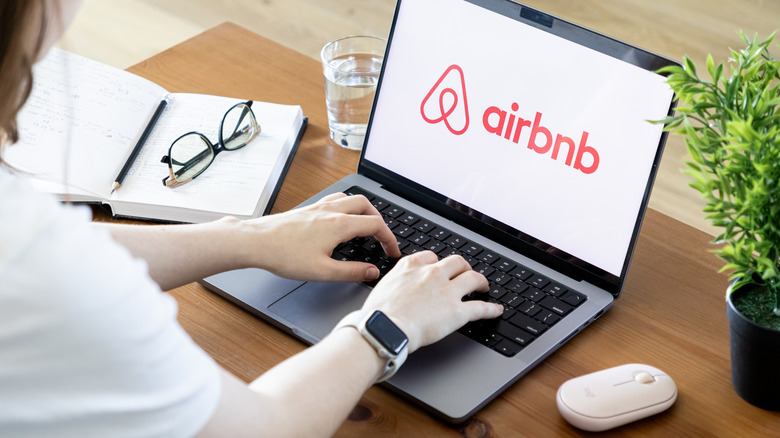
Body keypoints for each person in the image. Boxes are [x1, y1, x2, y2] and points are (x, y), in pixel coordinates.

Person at [0, 1, 504, 437]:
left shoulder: (30, 244)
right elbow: (264, 429)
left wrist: (245, 236)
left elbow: (53, 248)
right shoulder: (48, 282)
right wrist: (387, 326)